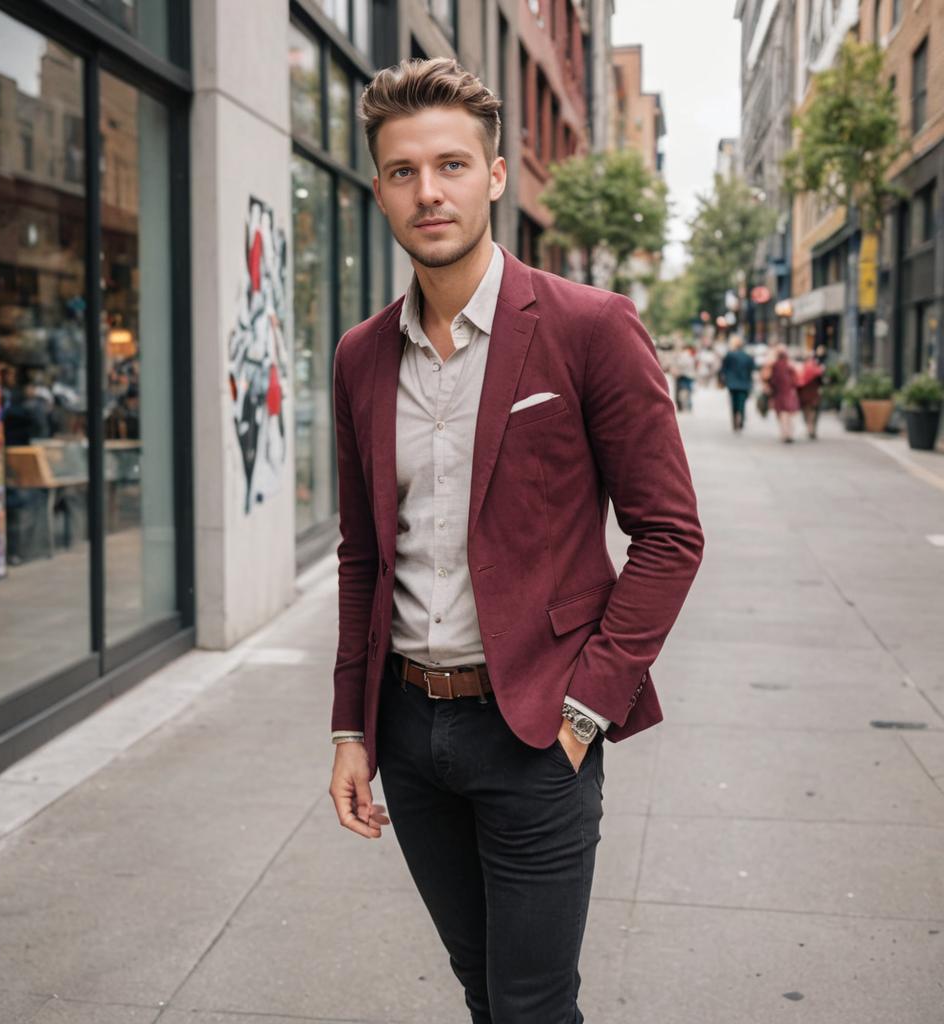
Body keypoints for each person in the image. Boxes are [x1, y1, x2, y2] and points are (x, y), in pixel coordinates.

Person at [327, 57, 705, 1024]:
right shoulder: (362, 356)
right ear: (380, 189)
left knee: (533, 1005)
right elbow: (362, 553)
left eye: (452, 165)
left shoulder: (590, 327)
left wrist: (587, 710)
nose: (430, 191)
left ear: (495, 176)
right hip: (410, 731)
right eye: (404, 172)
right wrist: (351, 729)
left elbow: (668, 534)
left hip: (538, 726)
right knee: (482, 991)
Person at [761, 344, 801, 443]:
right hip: (789, 392)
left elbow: (769, 379)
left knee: (782, 413)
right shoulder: (789, 365)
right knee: (789, 414)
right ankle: (789, 434)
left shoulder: (774, 365)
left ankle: (784, 433)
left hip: (779, 392)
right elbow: (796, 380)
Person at [718, 334, 757, 433]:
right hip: (744, 384)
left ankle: (735, 421)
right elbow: (753, 369)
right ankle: (741, 420)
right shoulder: (748, 356)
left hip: (732, 383)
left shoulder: (730, 355)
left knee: (733, 403)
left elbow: (723, 369)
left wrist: (722, 379)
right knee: (742, 403)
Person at [796, 344, 826, 440]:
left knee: (806, 409)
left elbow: (797, 380)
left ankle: (809, 428)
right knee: (812, 409)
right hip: (813, 391)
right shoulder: (816, 367)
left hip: (805, 391)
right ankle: (811, 428)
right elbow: (820, 380)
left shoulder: (801, 367)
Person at [673, 344, 697, 411]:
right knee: (688, 391)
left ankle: (684, 405)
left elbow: (680, 364)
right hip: (689, 375)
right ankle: (689, 405)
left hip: (683, 375)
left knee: (683, 391)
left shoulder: (683, 355)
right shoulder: (690, 355)